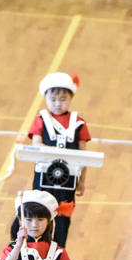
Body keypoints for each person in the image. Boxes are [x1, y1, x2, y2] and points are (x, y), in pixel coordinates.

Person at [29, 72, 90, 247]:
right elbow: (36, 144)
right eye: (53, 99)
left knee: (63, 218)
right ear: (46, 98)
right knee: (39, 214)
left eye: (63, 99)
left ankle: (59, 251)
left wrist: (82, 180)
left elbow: (83, 155)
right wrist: (56, 152)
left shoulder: (78, 123)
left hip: (67, 180)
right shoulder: (41, 120)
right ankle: (36, 248)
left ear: (71, 98)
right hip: (44, 177)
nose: (58, 104)